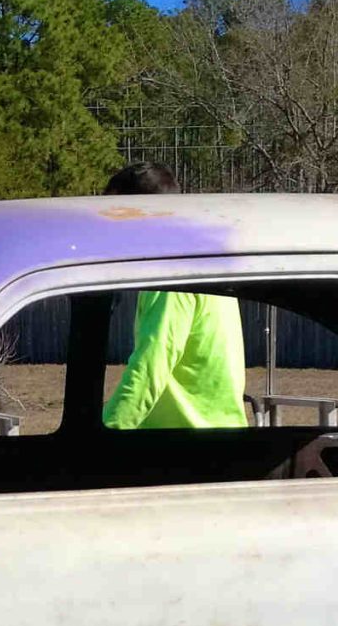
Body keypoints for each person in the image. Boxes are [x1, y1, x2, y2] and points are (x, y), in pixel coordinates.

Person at [98, 163, 247, 430]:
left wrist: (106, 430)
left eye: (116, 217)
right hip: (214, 437)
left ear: (141, 217)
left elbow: (152, 363)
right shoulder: (200, 260)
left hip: (186, 447)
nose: (111, 230)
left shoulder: (171, 274)